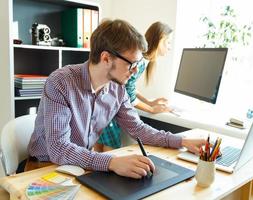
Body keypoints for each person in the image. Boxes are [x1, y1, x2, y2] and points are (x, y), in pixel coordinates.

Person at [28, 19, 205, 179]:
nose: (135, 71)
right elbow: (59, 149)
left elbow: (138, 129)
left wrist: (182, 141)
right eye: (132, 64)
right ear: (106, 58)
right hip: (43, 166)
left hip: (80, 165)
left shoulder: (118, 89)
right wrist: (111, 162)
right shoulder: (61, 82)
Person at [96, 22, 174, 151]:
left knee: (98, 148)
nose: (170, 47)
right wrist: (151, 109)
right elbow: (129, 94)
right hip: (111, 107)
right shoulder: (141, 61)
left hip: (103, 103)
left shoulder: (142, 60)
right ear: (160, 39)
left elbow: (129, 86)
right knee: (111, 150)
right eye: (168, 42)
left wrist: (148, 101)